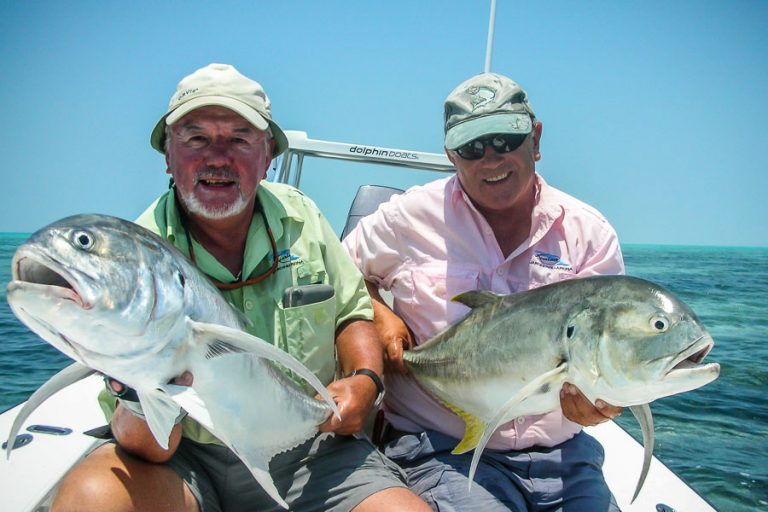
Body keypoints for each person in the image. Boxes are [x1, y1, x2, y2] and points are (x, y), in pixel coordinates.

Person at [51, 63, 431, 512]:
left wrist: (364, 381)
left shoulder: (302, 218)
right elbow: (151, 447)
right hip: (183, 459)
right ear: (167, 155)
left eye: (239, 139)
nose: (217, 157)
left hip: (312, 452)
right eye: (195, 138)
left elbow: (352, 313)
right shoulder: (134, 259)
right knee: (89, 501)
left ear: (267, 154)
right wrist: (136, 388)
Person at [342, 72, 625, 511]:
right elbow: (337, 272)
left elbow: (613, 353)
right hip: (442, 451)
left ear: (535, 138)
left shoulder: (589, 234)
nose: (490, 160)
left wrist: (607, 401)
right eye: (473, 148)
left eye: (504, 140)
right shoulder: (407, 218)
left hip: (566, 457)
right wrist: (380, 312)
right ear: (451, 155)